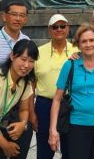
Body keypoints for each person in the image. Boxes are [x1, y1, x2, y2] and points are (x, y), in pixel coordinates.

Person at [49, 23, 94, 159]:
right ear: (78, 44)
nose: (88, 45)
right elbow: (57, 99)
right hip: (79, 126)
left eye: (92, 40)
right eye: (84, 41)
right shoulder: (70, 65)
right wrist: (53, 130)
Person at [31, 14, 78, 159]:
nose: (59, 29)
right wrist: (31, 112)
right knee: (45, 150)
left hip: (70, 104)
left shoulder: (77, 51)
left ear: (68, 29)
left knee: (71, 149)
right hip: (45, 105)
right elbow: (31, 84)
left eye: (62, 26)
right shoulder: (38, 52)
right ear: (49, 30)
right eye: (55, 27)